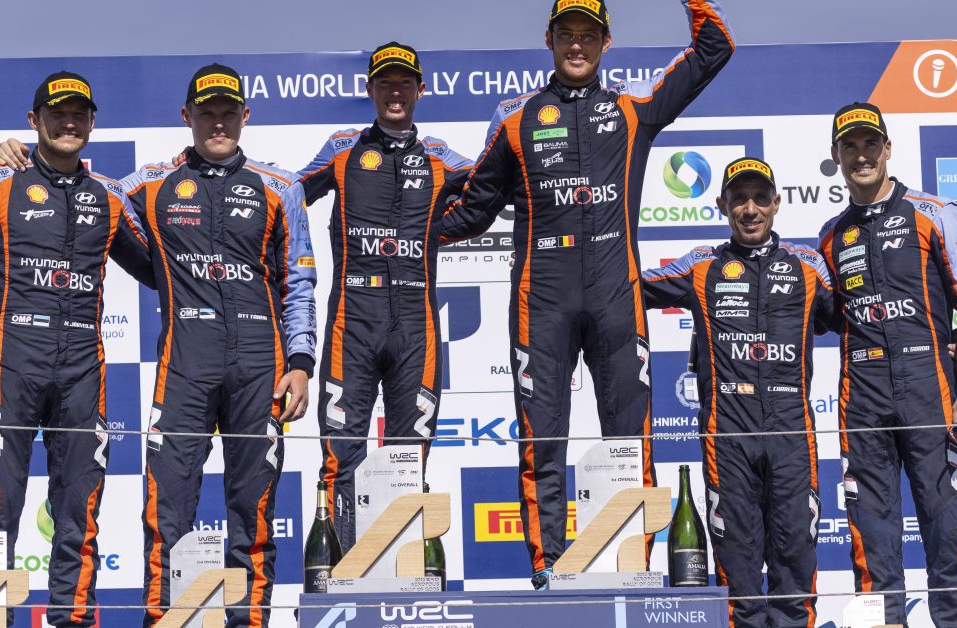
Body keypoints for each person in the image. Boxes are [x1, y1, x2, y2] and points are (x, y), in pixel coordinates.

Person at [0, 63, 316, 627]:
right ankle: (166, 620)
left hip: (259, 367)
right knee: (168, 513)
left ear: (246, 115)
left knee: (254, 513)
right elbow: (76, 187)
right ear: (187, 116)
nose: (218, 123)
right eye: (207, 113)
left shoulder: (280, 186)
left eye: (228, 112)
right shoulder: (146, 184)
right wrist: (14, 157)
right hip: (185, 365)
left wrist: (302, 361)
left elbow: (299, 281)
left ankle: (250, 622)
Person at [439, 0, 733, 588]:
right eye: (567, 34)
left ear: (606, 43)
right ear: (548, 39)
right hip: (541, 301)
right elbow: (473, 210)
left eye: (588, 35)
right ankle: (547, 566)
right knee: (541, 440)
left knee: (630, 438)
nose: (577, 45)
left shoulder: (632, 107)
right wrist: (402, 233)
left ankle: (632, 565)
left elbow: (714, 48)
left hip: (615, 298)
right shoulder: (515, 118)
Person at [0, 71, 154, 627]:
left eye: (79, 114)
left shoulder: (108, 195)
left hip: (83, 368)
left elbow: (161, 269)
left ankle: (73, 620)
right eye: (58, 114)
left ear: (92, 123)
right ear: (34, 121)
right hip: (9, 362)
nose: (69, 123)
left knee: (79, 511)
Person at [817, 102, 957, 627]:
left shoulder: (935, 212)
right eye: (850, 146)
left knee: (945, 529)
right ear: (836, 157)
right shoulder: (830, 235)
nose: (861, 155)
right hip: (862, 397)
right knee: (871, 535)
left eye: (870, 144)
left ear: (888, 149)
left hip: (929, 390)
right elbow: (822, 315)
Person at [295, 42, 474, 552]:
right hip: (351, 322)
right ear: (370, 90)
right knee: (340, 458)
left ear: (420, 90)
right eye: (385, 83)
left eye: (404, 83)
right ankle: (340, 574)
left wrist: (438, 231)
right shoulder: (343, 147)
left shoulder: (440, 155)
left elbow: (495, 185)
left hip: (416, 326)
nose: (395, 92)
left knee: (409, 457)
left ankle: (401, 571)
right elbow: (286, 194)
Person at [643, 158, 833, 627]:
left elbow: (859, 315)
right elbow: (629, 287)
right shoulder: (701, 264)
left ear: (777, 203)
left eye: (760, 198)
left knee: (795, 559)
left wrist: (943, 336)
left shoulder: (808, 265)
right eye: (739, 199)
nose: (750, 209)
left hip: (792, 429)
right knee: (737, 566)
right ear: (721, 204)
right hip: (727, 431)